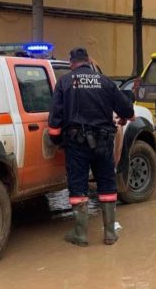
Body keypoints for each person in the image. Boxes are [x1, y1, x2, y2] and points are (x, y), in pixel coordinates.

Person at [48, 47, 134, 246]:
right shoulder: (105, 81)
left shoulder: (65, 82)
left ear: (71, 63)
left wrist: (57, 141)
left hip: (76, 144)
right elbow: (128, 111)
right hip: (104, 143)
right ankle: (110, 233)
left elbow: (55, 118)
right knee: (106, 185)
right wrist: (124, 117)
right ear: (88, 60)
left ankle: (80, 234)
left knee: (78, 186)